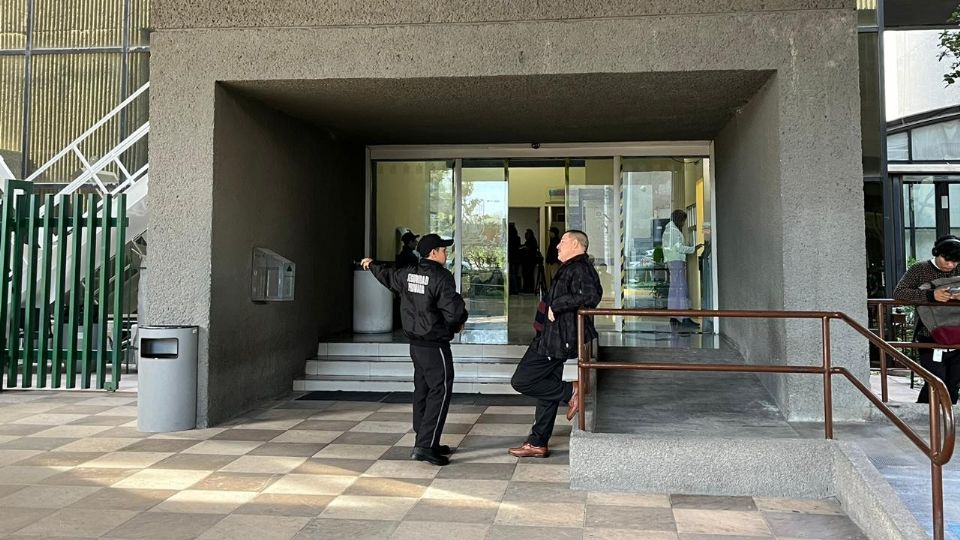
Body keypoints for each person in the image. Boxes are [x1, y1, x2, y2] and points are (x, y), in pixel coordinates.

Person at [361, 234, 468, 465]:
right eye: (443, 249)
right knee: (440, 389)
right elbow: (454, 311)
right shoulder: (441, 277)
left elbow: (386, 275)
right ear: (434, 253)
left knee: (423, 389)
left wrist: (371, 265)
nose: (445, 253)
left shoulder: (408, 273)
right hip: (434, 344)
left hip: (415, 346)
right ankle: (425, 446)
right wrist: (460, 320)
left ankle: (425, 438)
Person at [508, 230, 602, 457]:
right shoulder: (571, 267)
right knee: (546, 389)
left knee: (521, 380)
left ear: (577, 244)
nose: (557, 246)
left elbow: (592, 296)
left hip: (557, 341)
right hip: (552, 337)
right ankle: (537, 442)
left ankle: (572, 390)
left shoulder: (580, 268)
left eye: (562, 241)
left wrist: (557, 305)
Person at [893, 235, 960, 404]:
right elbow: (899, 293)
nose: (951, 265)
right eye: (947, 259)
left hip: (957, 333)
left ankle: (946, 422)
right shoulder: (919, 269)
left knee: (953, 383)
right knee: (936, 381)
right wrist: (931, 295)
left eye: (956, 262)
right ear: (937, 253)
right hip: (929, 334)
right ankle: (925, 418)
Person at [662, 210, 702, 328]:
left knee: (674, 290)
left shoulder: (668, 230)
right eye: (683, 221)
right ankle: (684, 318)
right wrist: (693, 248)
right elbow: (679, 248)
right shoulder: (673, 231)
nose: (684, 224)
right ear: (679, 219)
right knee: (681, 289)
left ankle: (674, 316)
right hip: (676, 261)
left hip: (671, 261)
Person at [519, 228, 541, 293]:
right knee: (527, 275)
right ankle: (527, 288)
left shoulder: (532, 241)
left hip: (529, 261)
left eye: (527, 234)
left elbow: (529, 250)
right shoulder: (531, 241)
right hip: (528, 261)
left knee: (528, 275)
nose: (525, 236)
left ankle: (528, 289)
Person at [508, 223, 521, 295]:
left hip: (511, 258)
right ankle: (516, 289)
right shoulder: (517, 238)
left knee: (511, 274)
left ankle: (511, 289)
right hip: (516, 258)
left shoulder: (508, 238)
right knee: (515, 274)